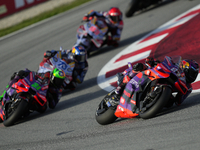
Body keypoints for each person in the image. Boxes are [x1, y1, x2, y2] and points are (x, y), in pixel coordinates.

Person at [113, 56, 199, 110]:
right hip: (155, 75)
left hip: (165, 91)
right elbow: (162, 63)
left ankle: (148, 102)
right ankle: (121, 86)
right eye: (191, 72)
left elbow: (178, 102)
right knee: (140, 66)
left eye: (194, 74)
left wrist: (172, 96)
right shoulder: (175, 69)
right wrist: (152, 61)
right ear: (184, 67)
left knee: (169, 104)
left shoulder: (188, 87)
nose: (192, 75)